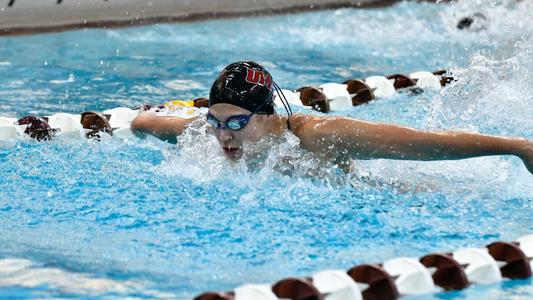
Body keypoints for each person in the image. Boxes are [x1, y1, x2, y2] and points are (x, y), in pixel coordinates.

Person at [131, 61, 533, 175]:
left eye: (236, 123)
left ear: (269, 117)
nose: (223, 137)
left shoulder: (318, 134)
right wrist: (142, 118)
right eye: (215, 122)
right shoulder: (211, 134)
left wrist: (515, 148)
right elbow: (148, 124)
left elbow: (423, 144)